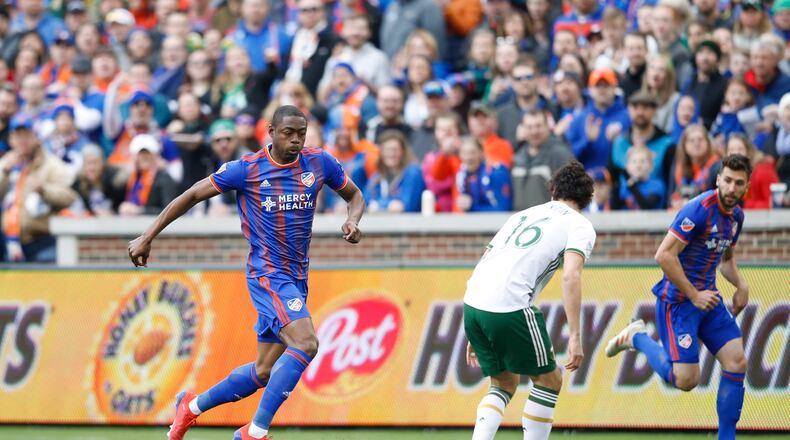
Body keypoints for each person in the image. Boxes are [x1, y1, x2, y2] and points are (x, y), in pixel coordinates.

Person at [128, 106, 364, 440]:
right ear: (271, 131)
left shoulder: (319, 163)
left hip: (297, 278)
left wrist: (353, 220)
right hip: (267, 274)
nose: (296, 140)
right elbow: (192, 195)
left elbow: (354, 195)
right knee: (306, 342)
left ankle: (191, 406)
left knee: (264, 371)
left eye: (301, 133)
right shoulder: (247, 169)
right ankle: (255, 431)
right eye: (288, 133)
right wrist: (147, 236)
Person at [606, 154, 752, 440]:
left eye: (739, 183)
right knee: (686, 380)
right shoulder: (698, 210)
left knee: (737, 362)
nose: (732, 188)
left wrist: (741, 285)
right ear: (718, 180)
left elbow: (725, 260)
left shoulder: (736, 217)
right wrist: (694, 295)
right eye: (727, 180)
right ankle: (637, 337)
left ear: (747, 187)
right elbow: (664, 255)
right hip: (679, 302)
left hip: (708, 300)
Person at [464, 160, 595, 440]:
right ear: (587, 199)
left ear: (553, 190)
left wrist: (478, 328)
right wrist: (575, 336)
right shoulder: (579, 224)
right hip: (509, 304)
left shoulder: (522, 215)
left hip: (474, 302)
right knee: (550, 380)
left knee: (503, 382)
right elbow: (571, 276)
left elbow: (487, 257)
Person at [0, 115, 76, 262]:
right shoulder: (5, 163)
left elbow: (70, 196)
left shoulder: (51, 164)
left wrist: (44, 190)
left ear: (36, 138)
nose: (22, 141)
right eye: (18, 136)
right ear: (11, 139)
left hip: (40, 242)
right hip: (8, 243)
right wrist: (5, 172)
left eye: (27, 136)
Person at [511, 111, 574, 211]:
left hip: (550, 218)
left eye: (538, 126)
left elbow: (571, 194)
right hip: (521, 218)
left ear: (547, 127)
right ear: (523, 129)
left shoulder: (560, 154)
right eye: (529, 127)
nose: (534, 131)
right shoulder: (517, 157)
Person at [364, 130, 424, 213]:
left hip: (409, 220)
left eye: (395, 150)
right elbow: (365, 202)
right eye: (386, 150)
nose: (391, 154)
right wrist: (389, 204)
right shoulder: (378, 176)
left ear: (403, 151)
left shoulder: (413, 173)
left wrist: (378, 205)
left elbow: (407, 205)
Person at [725, 133, 779, 209]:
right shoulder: (728, 174)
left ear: (748, 151)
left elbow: (773, 204)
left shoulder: (763, 170)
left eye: (740, 149)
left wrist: (745, 204)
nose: (735, 153)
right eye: (731, 150)